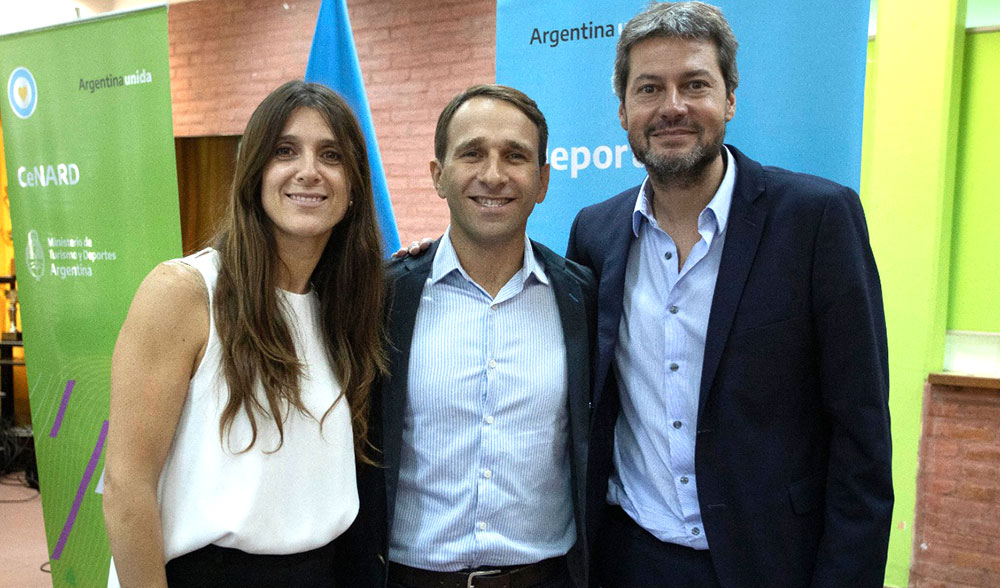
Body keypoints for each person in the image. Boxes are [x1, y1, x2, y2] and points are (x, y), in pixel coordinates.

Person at [566, 2, 893, 587]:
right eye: (649, 89)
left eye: (695, 84)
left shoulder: (817, 219)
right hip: (629, 560)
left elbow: (861, 435)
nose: (672, 107)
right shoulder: (595, 233)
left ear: (730, 99)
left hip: (771, 563)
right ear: (622, 111)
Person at [102, 80, 386, 588]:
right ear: (254, 174)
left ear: (354, 189)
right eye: (285, 151)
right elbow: (127, 489)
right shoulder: (185, 293)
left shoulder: (343, 309)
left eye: (331, 155)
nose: (309, 171)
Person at [353, 84, 597, 588]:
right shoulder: (383, 297)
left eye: (515, 156)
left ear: (543, 180)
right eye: (472, 153)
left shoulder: (583, 299)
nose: (493, 174)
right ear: (438, 175)